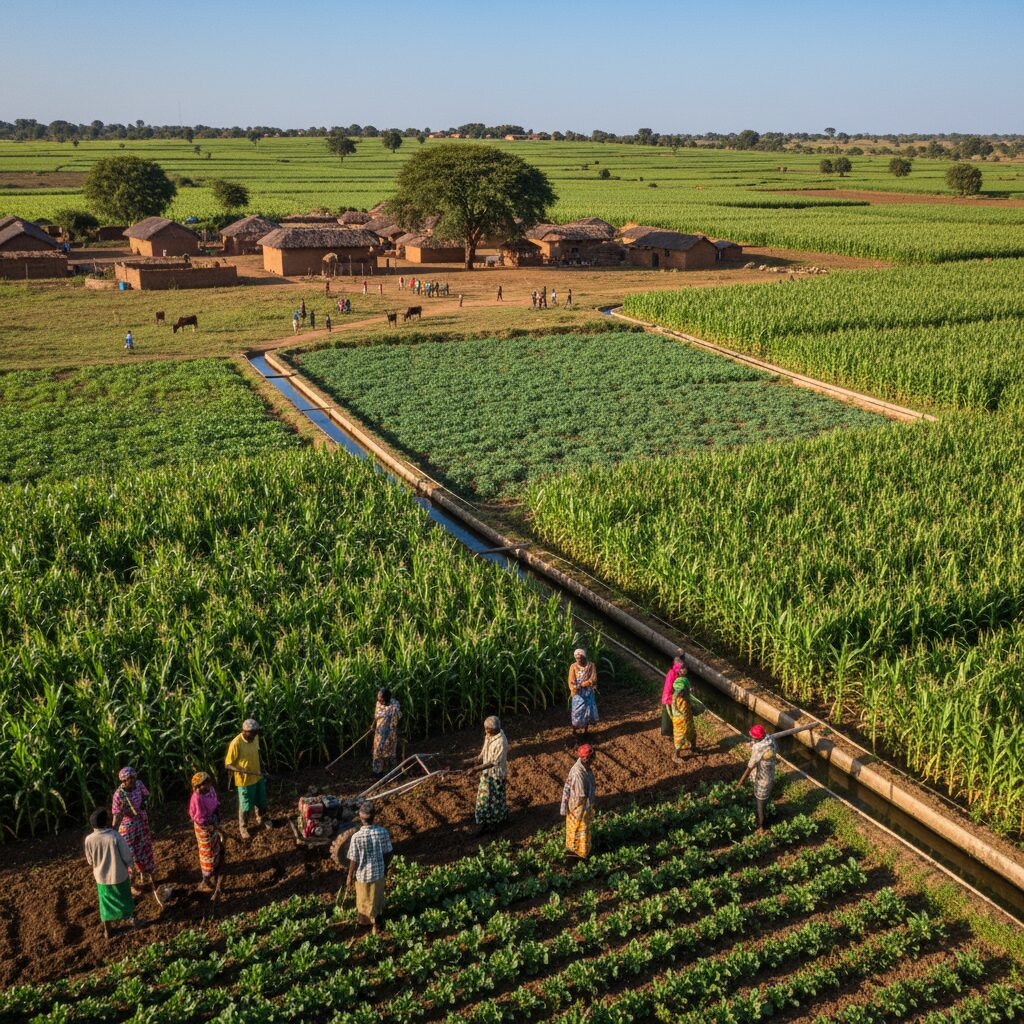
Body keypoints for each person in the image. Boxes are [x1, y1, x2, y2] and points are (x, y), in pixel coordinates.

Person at [738, 721, 818, 830]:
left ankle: (762, 825)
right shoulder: (770, 739)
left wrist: (741, 781)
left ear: (757, 738)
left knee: (760, 805)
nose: (751, 738)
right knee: (763, 801)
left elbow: (750, 765)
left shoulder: (758, 749)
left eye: (752, 737)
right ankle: (762, 814)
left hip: (763, 779)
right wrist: (752, 744)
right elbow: (766, 745)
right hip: (770, 773)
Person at [84, 808, 137, 939]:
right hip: (119, 875)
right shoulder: (114, 836)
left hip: (101, 878)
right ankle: (133, 920)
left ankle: (107, 930)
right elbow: (126, 856)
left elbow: (90, 861)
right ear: (106, 822)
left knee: (105, 903)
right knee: (126, 899)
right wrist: (132, 869)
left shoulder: (89, 839)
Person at [345, 802, 393, 934]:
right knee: (376, 898)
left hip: (362, 876)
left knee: (364, 899)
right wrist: (385, 867)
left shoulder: (356, 837)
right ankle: (376, 921)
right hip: (378, 874)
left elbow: (353, 859)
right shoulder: (383, 832)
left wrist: (349, 875)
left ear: (360, 818)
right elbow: (389, 853)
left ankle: (365, 921)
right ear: (374, 817)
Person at [111, 767, 156, 893]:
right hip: (128, 828)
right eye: (130, 779)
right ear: (124, 781)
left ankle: (148, 873)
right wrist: (112, 831)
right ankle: (132, 884)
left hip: (141, 822)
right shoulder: (119, 795)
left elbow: (147, 795)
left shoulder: (139, 784)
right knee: (130, 854)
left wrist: (145, 803)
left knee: (145, 848)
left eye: (134, 778)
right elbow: (116, 815)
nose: (133, 781)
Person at [466, 716, 509, 835]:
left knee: (490, 800)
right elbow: (484, 751)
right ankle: (493, 821)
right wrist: (475, 759)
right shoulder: (490, 736)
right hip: (487, 773)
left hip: (496, 776)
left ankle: (489, 824)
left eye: (487, 729)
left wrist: (475, 769)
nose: (485, 731)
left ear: (494, 729)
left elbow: (494, 762)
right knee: (489, 799)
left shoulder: (501, 742)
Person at [225, 718, 266, 840]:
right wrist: (240, 770)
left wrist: (262, 767)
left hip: (257, 775)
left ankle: (261, 819)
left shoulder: (255, 738)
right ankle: (243, 827)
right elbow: (228, 764)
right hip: (245, 780)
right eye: (252, 733)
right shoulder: (236, 743)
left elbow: (257, 753)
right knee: (245, 805)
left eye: (256, 733)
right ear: (245, 731)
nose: (254, 735)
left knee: (260, 799)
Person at [560, 745, 596, 859]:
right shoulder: (578, 773)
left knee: (582, 830)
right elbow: (580, 796)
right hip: (578, 807)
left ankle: (580, 851)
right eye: (592, 758)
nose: (593, 760)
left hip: (583, 804)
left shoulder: (585, 767)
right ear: (586, 759)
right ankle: (578, 853)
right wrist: (581, 810)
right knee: (579, 829)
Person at [188, 772, 223, 890]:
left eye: (208, 782)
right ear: (197, 787)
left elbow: (215, 802)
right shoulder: (197, 798)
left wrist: (217, 815)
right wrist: (209, 826)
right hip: (203, 826)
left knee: (216, 845)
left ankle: (216, 865)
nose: (208, 785)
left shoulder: (210, 789)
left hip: (212, 820)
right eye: (204, 783)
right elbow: (199, 818)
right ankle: (206, 878)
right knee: (207, 850)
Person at [568, 647, 599, 736]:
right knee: (576, 711)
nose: (578, 660)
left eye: (580, 658)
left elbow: (593, 678)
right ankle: (574, 730)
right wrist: (574, 687)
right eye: (576, 658)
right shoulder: (573, 666)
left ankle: (586, 730)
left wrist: (586, 683)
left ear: (584, 657)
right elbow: (571, 679)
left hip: (588, 692)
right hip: (577, 694)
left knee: (587, 711)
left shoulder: (591, 665)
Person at [371, 689, 401, 777]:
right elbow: (377, 716)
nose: (378, 700)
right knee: (377, 751)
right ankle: (377, 772)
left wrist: (391, 713)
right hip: (379, 732)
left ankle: (391, 772)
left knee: (390, 752)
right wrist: (373, 725)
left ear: (386, 698)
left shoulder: (394, 706)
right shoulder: (379, 704)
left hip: (390, 733)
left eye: (380, 698)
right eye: (378, 698)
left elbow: (396, 716)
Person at [670, 673, 697, 761]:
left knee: (693, 734)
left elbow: (691, 705)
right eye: (679, 690)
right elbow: (675, 711)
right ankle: (676, 756)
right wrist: (681, 716)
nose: (680, 692)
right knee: (679, 739)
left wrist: (695, 709)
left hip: (688, 719)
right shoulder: (675, 698)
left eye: (682, 690)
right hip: (679, 722)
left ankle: (693, 748)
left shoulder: (686, 696)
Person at [662, 654, 685, 739]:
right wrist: (673, 697)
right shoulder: (672, 673)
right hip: (668, 698)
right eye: (682, 668)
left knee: (673, 715)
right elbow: (669, 688)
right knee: (667, 716)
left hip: (673, 698)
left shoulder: (677, 673)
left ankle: (671, 732)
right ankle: (666, 733)